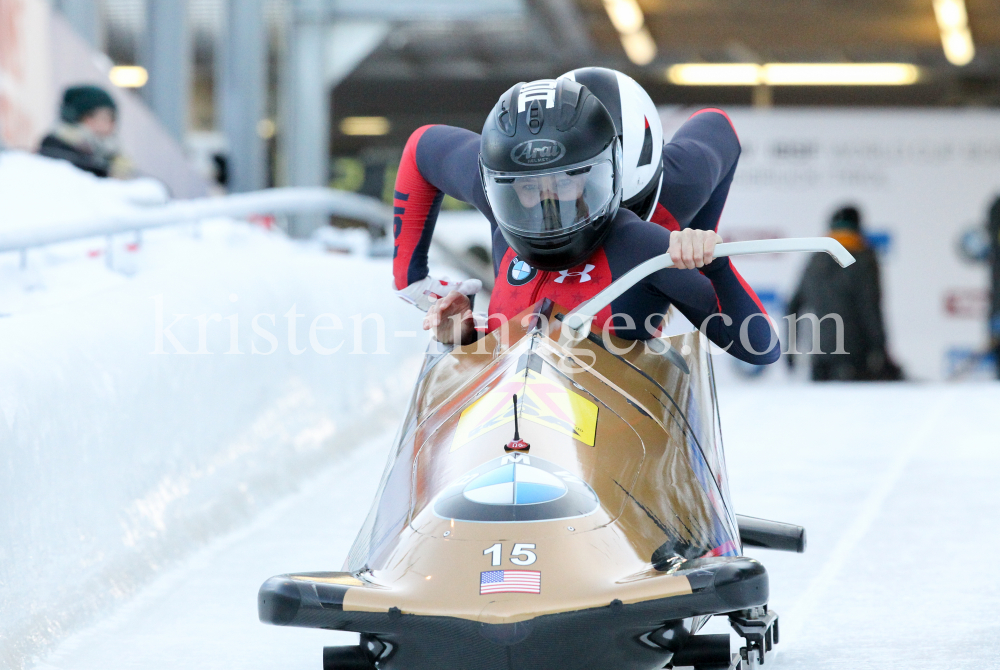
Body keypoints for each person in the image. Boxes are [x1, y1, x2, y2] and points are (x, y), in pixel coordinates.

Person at [392, 76, 778, 366]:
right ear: (499, 187)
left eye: (563, 182)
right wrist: (459, 329)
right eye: (527, 188)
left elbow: (761, 347)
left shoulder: (647, 242)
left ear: (606, 174)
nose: (545, 205)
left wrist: (706, 257)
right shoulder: (495, 187)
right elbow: (421, 146)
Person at [786, 205, 902, 380]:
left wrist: (790, 350)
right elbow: (870, 309)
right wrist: (881, 352)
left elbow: (793, 306)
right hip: (857, 358)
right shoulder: (864, 258)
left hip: (820, 359)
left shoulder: (816, 260)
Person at [38, 85, 127, 178]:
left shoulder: (110, 155)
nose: (111, 125)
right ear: (86, 118)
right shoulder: (57, 145)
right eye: (107, 118)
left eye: (113, 119)